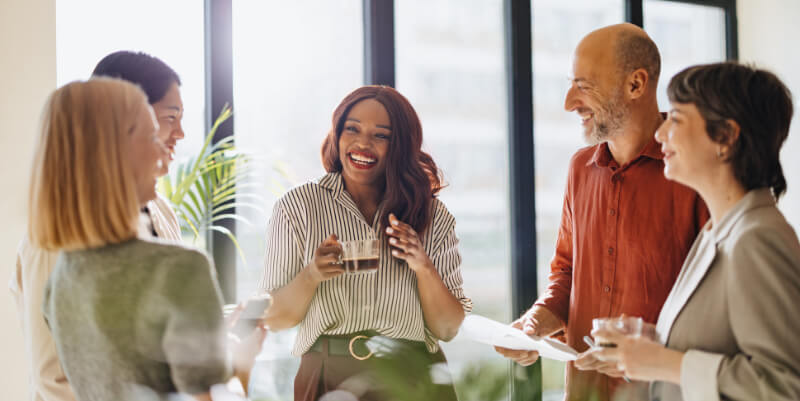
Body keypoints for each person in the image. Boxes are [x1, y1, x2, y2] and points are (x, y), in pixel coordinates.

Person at [494, 23, 708, 401]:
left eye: (584, 86)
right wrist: (535, 323)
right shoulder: (580, 169)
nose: (568, 102)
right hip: (584, 391)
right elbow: (567, 273)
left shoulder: (694, 171)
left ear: (636, 85)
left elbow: (714, 303)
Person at [29, 78, 265, 401]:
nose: (163, 150)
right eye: (152, 135)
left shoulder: (61, 278)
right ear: (113, 150)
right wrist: (242, 364)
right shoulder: (179, 269)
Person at [591, 62, 800, 401]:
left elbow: (785, 386)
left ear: (726, 137)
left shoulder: (758, 239)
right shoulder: (715, 232)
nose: (660, 133)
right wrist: (648, 347)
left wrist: (666, 363)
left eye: (675, 118)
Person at [259, 85, 472, 401]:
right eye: (352, 129)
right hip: (328, 378)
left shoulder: (432, 214)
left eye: (381, 136)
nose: (362, 143)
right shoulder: (298, 207)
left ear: (400, 145)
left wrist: (423, 266)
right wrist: (312, 274)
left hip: (413, 378)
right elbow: (275, 319)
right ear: (337, 135)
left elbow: (447, 329)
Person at [9, 51, 185, 401]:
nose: (179, 133)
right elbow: (55, 379)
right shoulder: (55, 234)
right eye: (170, 117)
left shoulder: (161, 212)